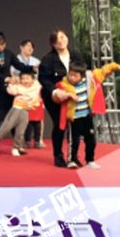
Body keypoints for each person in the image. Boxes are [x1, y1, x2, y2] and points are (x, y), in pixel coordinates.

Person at [54, 60, 120, 169]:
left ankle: (90, 160)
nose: (72, 78)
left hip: (87, 115)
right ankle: (71, 160)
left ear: (82, 75)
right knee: (74, 140)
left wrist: (116, 66)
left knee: (91, 139)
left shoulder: (91, 78)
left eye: (75, 76)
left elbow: (104, 71)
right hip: (74, 117)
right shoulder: (64, 84)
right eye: (70, 74)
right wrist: (68, 95)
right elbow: (56, 98)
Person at [39, 29, 84, 168]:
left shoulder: (76, 56)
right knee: (60, 124)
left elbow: (83, 72)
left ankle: (73, 156)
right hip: (54, 97)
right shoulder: (48, 60)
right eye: (57, 39)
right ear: (53, 44)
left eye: (63, 37)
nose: (61, 41)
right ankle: (58, 155)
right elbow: (43, 79)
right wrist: (55, 91)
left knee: (75, 125)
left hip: (73, 95)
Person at [0, 32, 34, 140]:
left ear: (5, 44)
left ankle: (17, 143)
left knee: (12, 116)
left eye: (2, 44)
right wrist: (6, 78)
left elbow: (19, 65)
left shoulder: (8, 53)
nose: (0, 47)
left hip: (8, 90)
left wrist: (31, 68)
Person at [0, 71, 41, 157]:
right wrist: (12, 82)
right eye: (23, 79)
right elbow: (10, 90)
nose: (25, 81)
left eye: (27, 78)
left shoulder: (35, 87)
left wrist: (31, 105)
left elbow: (36, 98)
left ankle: (16, 148)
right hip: (17, 109)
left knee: (21, 131)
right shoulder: (17, 87)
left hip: (25, 111)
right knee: (7, 125)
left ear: (33, 80)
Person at [11, 39, 44, 148]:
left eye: (32, 47)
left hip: (34, 91)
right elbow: (12, 75)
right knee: (21, 116)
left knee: (38, 116)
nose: (30, 48)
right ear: (21, 47)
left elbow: (41, 76)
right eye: (27, 46)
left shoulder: (36, 61)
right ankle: (23, 140)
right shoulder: (15, 60)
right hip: (20, 92)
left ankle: (39, 140)